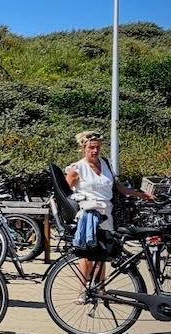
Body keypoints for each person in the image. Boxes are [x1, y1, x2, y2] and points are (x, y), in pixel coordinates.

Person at [65, 130, 153, 305]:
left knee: (103, 253)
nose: (95, 151)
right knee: (87, 252)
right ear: (84, 147)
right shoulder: (77, 168)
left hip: (107, 212)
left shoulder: (105, 163)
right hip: (88, 213)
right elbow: (64, 193)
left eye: (98, 147)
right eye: (91, 147)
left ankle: (101, 288)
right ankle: (83, 289)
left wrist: (139, 194)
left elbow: (117, 186)